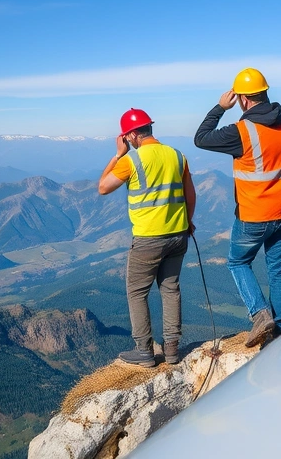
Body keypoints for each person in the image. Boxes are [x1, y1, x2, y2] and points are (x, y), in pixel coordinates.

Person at [194, 67, 281, 347]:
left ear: (242, 99)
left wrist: (219, 108)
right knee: (279, 270)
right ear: (265, 93)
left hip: (254, 215)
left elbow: (201, 138)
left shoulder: (242, 131)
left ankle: (259, 314)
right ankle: (278, 332)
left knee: (238, 261)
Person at [98, 108, 195, 367]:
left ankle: (144, 353)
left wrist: (118, 155)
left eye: (126, 138)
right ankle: (172, 350)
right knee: (171, 289)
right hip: (178, 235)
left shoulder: (132, 161)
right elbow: (190, 195)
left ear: (131, 135)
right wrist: (188, 223)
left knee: (137, 293)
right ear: (149, 128)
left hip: (147, 239)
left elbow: (103, 187)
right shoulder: (177, 156)